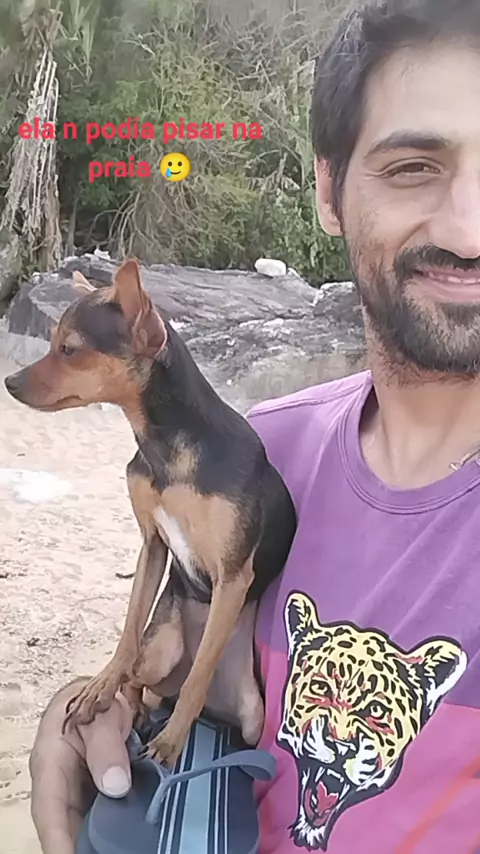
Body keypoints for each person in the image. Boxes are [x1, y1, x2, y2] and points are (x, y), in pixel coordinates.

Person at [29, 0, 480, 851]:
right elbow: (180, 644)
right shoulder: (262, 448)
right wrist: (95, 714)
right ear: (328, 191)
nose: (469, 230)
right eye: (415, 166)